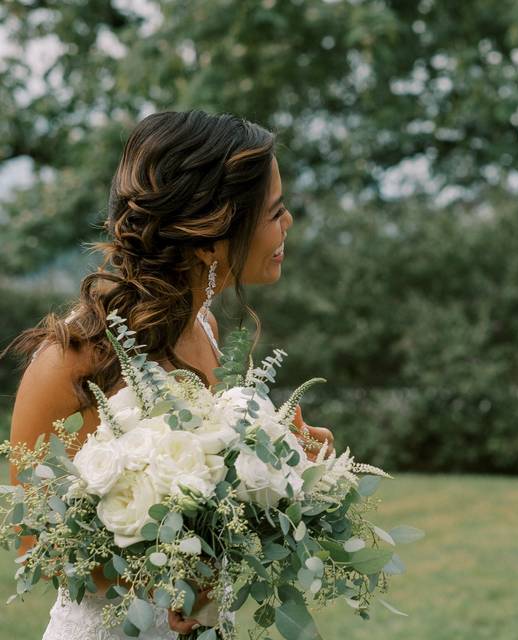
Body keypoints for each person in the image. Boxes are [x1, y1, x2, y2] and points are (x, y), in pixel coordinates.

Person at [6, 110, 334, 638]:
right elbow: (32, 547)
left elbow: (212, 493)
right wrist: (156, 581)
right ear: (209, 237)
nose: (287, 223)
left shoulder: (201, 327)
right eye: (274, 212)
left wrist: (286, 464)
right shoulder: (72, 356)